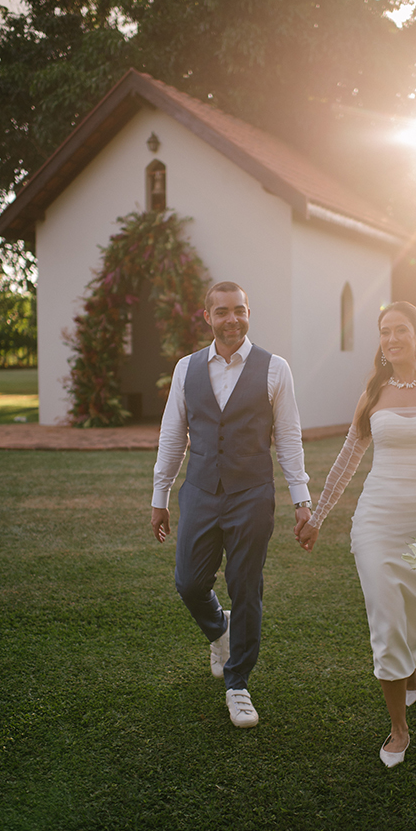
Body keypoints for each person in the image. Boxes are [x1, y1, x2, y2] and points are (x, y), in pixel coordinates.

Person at [295, 301, 416, 767]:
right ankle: (399, 728)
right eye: (384, 332)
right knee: (384, 616)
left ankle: (412, 671)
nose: (392, 338)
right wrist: (317, 517)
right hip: (376, 521)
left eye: (400, 330)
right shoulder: (372, 395)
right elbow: (345, 463)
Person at [151, 281, 312, 728]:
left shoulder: (275, 369)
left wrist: (301, 498)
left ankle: (237, 683)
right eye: (222, 311)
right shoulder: (187, 369)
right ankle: (218, 629)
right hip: (200, 493)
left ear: (248, 311)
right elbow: (172, 436)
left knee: (246, 588)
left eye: (239, 310)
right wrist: (159, 496)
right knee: (188, 582)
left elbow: (288, 438)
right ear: (208, 317)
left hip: (251, 496)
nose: (232, 319)